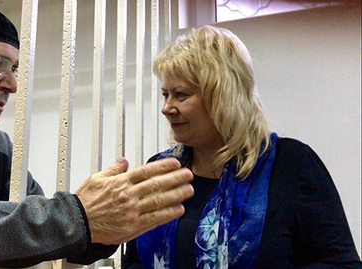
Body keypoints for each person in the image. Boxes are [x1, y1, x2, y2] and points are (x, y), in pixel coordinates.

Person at [0, 1, 195, 268]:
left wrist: (99, 231)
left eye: (14, 69)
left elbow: (40, 227)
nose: (11, 84)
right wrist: (76, 219)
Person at [122, 25, 362, 268]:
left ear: (222, 96)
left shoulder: (292, 165)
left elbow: (341, 264)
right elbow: (134, 262)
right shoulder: (159, 171)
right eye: (165, 95)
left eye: (180, 95)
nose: (167, 108)